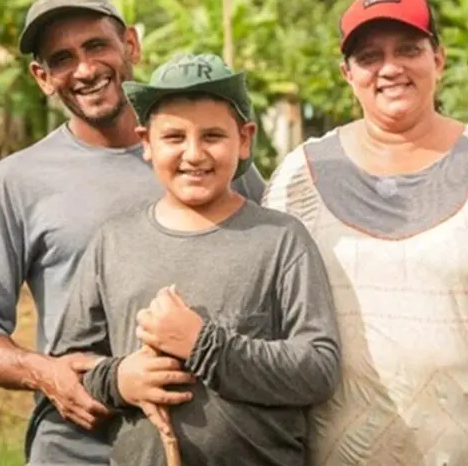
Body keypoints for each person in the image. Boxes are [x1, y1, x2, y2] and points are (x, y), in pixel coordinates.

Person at [262, 0, 468, 466]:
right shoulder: (300, 177)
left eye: (409, 49)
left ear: (439, 58)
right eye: (369, 56)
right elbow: (270, 327)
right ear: (346, 73)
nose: (390, 67)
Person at [0, 0, 267, 464]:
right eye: (62, 58)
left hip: (210, 445)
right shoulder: (17, 181)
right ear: (42, 77)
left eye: (97, 45)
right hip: (81, 448)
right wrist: (44, 372)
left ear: (130, 46)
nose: (86, 69)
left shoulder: (207, 162)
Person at [31, 53, 342, 465]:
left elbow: (318, 370)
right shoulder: (114, 243)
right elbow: (69, 367)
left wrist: (205, 345)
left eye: (212, 136)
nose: (194, 154)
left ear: (244, 139)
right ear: (146, 143)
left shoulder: (281, 240)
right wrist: (120, 380)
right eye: (174, 137)